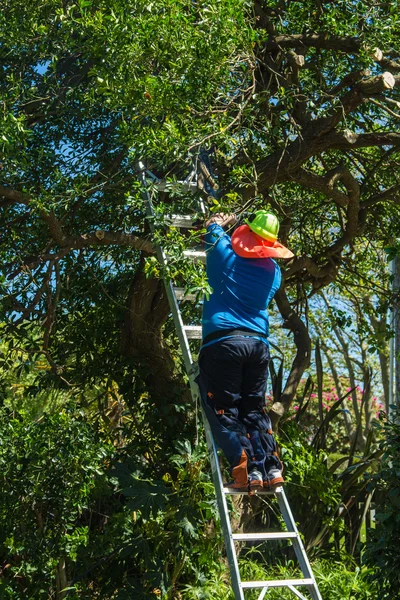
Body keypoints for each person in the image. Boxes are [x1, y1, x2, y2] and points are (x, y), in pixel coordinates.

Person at [197, 210, 294, 491]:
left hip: (224, 343)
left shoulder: (224, 257)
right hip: (258, 345)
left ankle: (243, 471)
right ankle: (270, 468)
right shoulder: (274, 273)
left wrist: (222, 219)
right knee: (253, 409)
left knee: (225, 408)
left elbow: (211, 227)